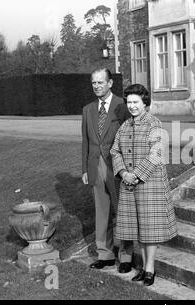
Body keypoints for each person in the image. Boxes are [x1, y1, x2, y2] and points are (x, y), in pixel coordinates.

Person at [110, 83, 178, 286]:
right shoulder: (125, 126)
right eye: (129, 102)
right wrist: (123, 172)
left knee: (150, 229)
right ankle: (144, 267)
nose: (132, 106)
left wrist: (136, 175)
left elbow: (155, 154)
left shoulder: (154, 124)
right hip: (129, 184)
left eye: (136, 102)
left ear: (145, 103)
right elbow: (115, 151)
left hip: (150, 184)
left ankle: (150, 269)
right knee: (138, 228)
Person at [81, 68, 133, 273]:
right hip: (96, 166)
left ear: (110, 83)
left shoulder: (123, 105)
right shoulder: (88, 109)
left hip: (118, 166)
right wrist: (85, 168)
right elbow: (85, 141)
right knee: (101, 212)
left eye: (100, 82)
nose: (96, 86)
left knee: (123, 211)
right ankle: (105, 254)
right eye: (94, 83)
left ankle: (126, 256)